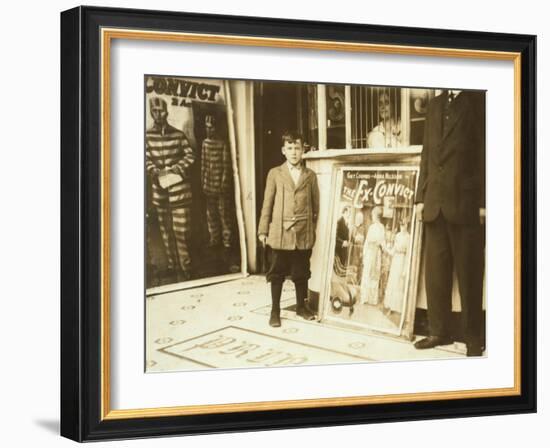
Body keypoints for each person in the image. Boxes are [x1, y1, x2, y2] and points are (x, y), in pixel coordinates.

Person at [414, 89, 485, 357]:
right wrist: (420, 197)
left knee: (469, 274)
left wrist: (483, 202)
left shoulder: (478, 100)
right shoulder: (434, 106)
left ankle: (473, 339)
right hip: (434, 203)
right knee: (436, 274)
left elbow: (484, 152)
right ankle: (438, 332)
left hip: (465, 203)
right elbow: (426, 154)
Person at [258, 131, 320, 327]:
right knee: (276, 272)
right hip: (279, 232)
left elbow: (315, 205)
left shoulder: (310, 176)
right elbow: (267, 203)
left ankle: (301, 307)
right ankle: (275, 311)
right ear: (283, 151)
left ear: (304, 150)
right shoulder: (275, 174)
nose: (294, 152)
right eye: (290, 148)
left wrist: (311, 228)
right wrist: (263, 230)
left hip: (302, 232)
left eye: (298, 148)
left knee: (301, 272)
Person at [145, 97, 196, 282]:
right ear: (151, 113)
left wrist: (177, 167)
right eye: (155, 111)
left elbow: (191, 155)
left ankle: (187, 267)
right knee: (166, 230)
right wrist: (154, 171)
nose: (159, 114)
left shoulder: (178, 134)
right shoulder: (146, 136)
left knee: (181, 231)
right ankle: (174, 267)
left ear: (167, 112)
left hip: (180, 190)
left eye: (162, 111)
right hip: (160, 192)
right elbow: (145, 158)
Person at [201, 114, 233, 257]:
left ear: (216, 128)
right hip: (209, 186)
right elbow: (203, 165)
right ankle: (214, 239)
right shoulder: (205, 143)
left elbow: (226, 166)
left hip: (220, 188)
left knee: (224, 214)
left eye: (211, 127)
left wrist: (223, 184)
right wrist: (203, 181)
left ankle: (227, 242)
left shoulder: (222, 143)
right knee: (211, 214)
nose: (209, 130)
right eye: (207, 127)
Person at [359, 206, 386, 305]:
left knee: (374, 275)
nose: (372, 217)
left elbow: (382, 243)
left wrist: (385, 250)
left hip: (375, 253)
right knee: (368, 274)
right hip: (371, 253)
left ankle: (371, 298)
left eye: (373, 215)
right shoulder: (373, 227)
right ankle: (365, 297)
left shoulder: (380, 227)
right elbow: (367, 242)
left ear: (376, 216)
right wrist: (365, 253)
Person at [383, 220, 411, 314]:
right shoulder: (398, 235)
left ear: (407, 225)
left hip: (402, 261)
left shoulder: (408, 237)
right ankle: (390, 306)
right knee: (393, 282)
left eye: (404, 225)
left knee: (399, 283)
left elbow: (408, 254)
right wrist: (386, 249)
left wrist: (405, 269)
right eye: (401, 225)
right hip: (395, 260)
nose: (403, 227)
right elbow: (394, 250)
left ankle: (397, 307)